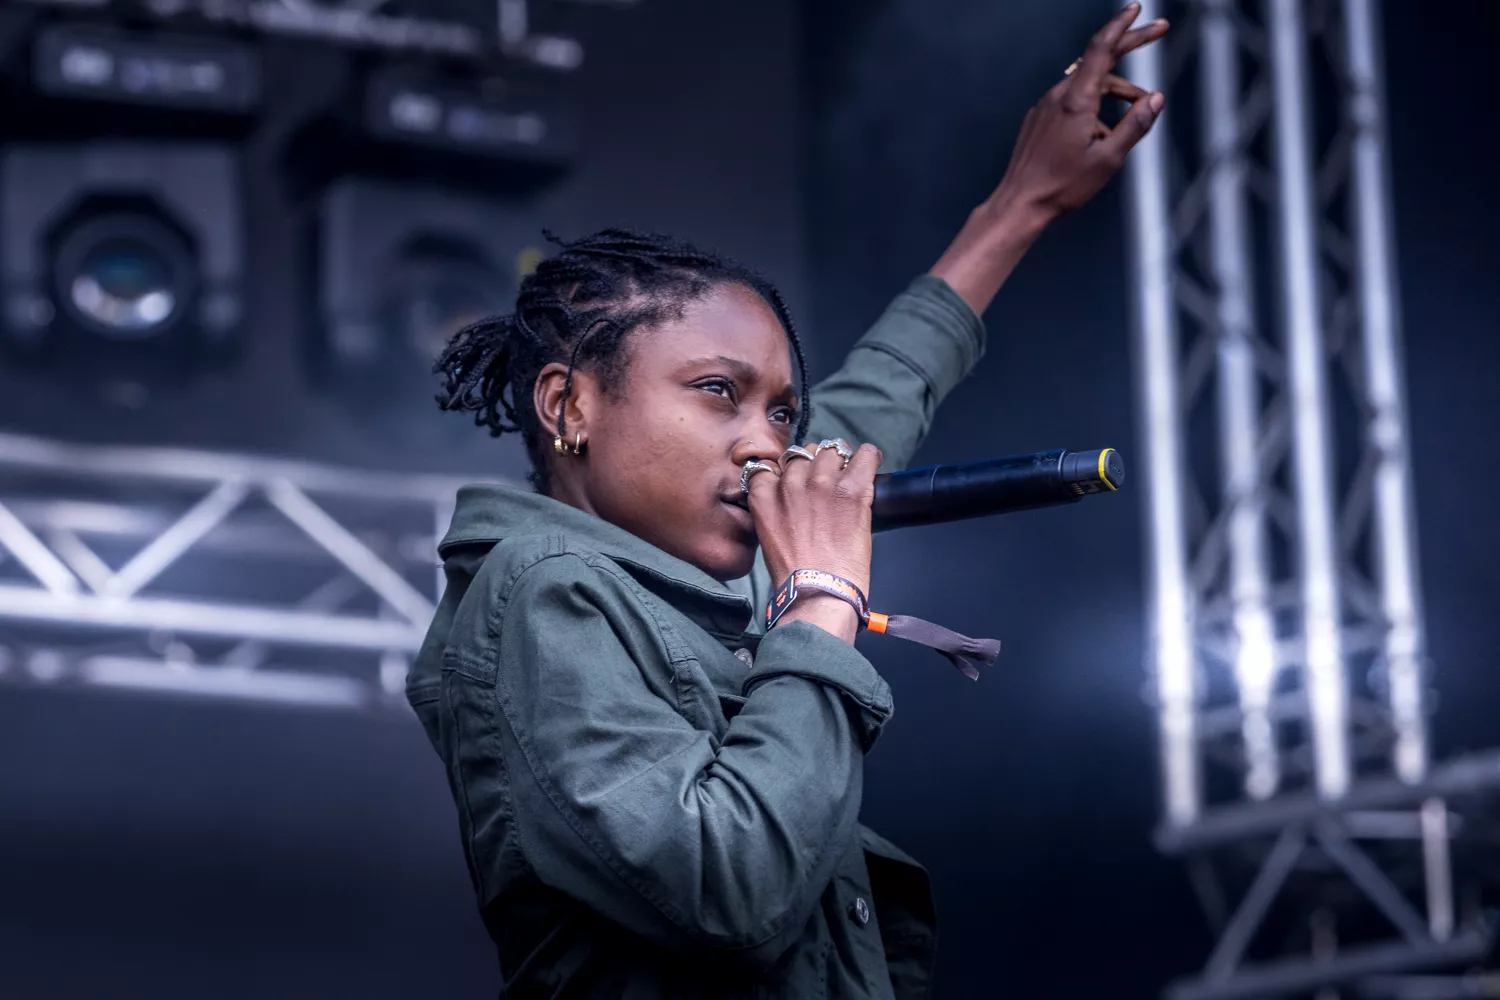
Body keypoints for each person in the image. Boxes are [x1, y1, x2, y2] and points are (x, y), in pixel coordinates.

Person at [406, 6, 1168, 997]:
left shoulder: (693, 557)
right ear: (569, 406)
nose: (768, 443)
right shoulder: (545, 589)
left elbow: (882, 391)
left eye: (781, 411)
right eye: (717, 391)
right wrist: (819, 600)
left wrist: (1024, 202)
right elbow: (730, 887)